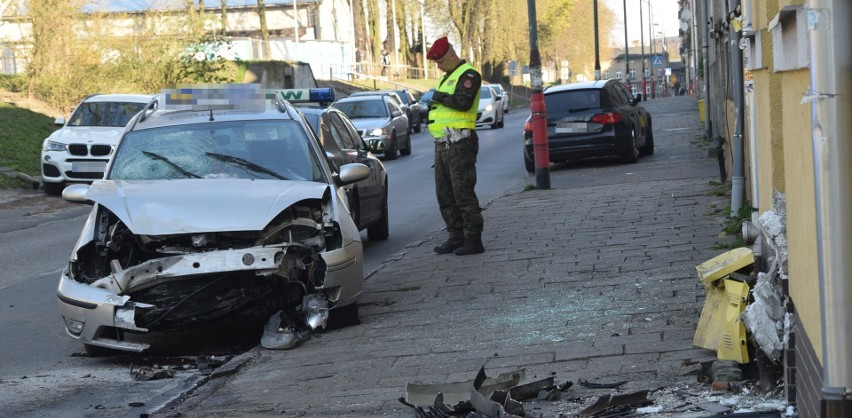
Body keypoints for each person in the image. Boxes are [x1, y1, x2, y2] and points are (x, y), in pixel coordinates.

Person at [425, 36, 484, 256]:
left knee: (462, 192)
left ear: (451, 54)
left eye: (440, 61)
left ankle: (473, 239)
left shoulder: (468, 74)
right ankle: (456, 236)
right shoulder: (447, 77)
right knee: (445, 194)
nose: (439, 67)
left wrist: (438, 97)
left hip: (460, 142)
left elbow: (463, 102)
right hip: (443, 144)